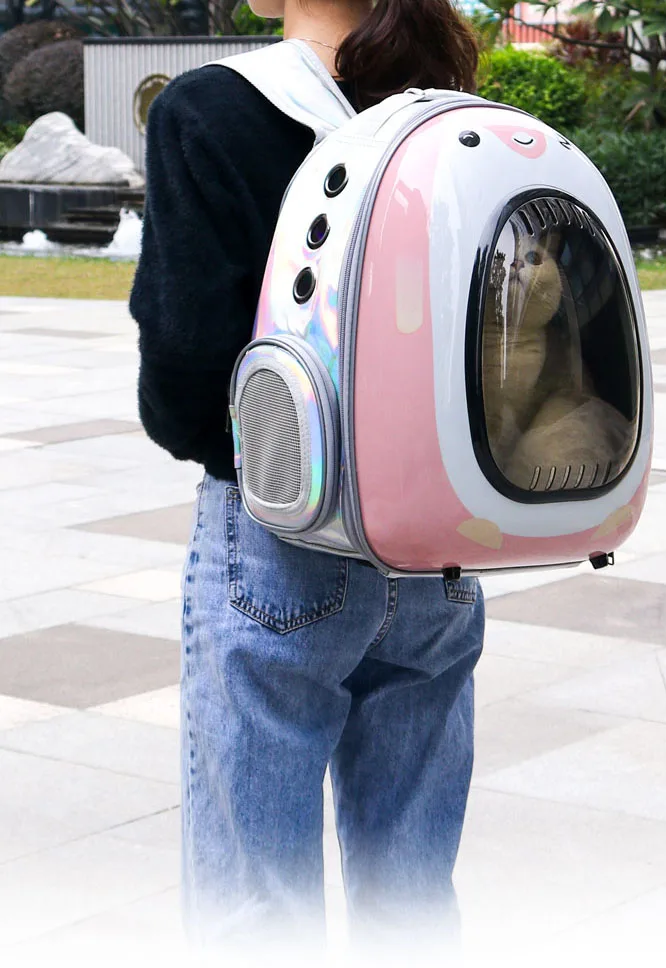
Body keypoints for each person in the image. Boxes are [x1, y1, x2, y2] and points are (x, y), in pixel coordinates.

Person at [130, 0, 483, 955]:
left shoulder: (213, 108)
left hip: (281, 536)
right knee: (412, 891)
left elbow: (185, 371)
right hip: (438, 547)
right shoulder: (453, 119)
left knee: (256, 903)